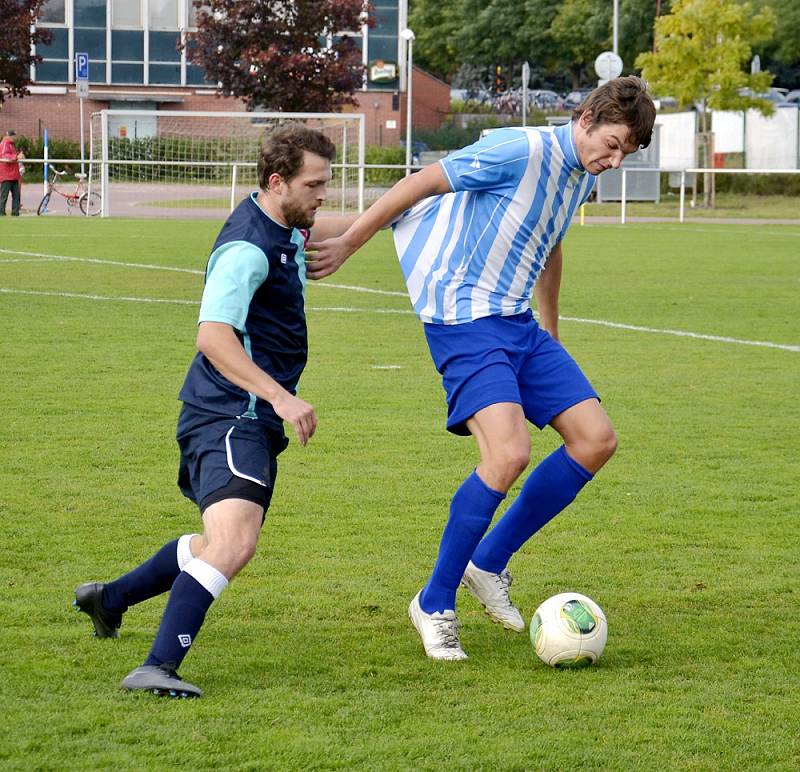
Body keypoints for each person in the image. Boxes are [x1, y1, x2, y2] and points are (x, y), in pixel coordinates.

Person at [307, 77, 656, 660]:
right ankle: (435, 601)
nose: (614, 161)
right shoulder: (519, 150)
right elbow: (417, 184)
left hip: (517, 321)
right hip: (463, 315)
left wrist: (549, 323)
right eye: (613, 144)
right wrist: (347, 242)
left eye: (625, 153)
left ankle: (488, 563)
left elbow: (549, 241)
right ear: (588, 116)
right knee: (507, 453)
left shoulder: (579, 176)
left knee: (595, 440)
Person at [74, 123, 359, 696]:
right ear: (278, 182)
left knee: (212, 544)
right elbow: (212, 334)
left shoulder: (280, 223)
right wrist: (280, 395)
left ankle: (109, 599)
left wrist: (408, 205)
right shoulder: (248, 248)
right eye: (315, 184)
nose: (324, 195)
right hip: (232, 413)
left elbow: (334, 227)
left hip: (241, 413)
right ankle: (156, 667)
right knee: (234, 543)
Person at [0, 130, 24, 216]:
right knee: (4, 197)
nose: (15, 138)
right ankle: (1, 213)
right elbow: (4, 156)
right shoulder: (4, 144)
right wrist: (17, 156)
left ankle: (15, 213)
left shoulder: (11, 144)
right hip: (6, 176)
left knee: (16, 196)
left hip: (14, 175)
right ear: (10, 136)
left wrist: (18, 156)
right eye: (14, 136)